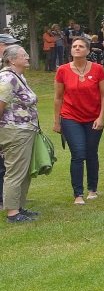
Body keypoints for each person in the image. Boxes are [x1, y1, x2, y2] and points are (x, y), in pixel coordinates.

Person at [53, 36, 104, 205]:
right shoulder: (62, 70)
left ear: (88, 50)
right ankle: (78, 194)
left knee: (91, 153)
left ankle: (92, 189)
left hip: (93, 117)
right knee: (78, 154)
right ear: (71, 50)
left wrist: (101, 117)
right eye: (74, 46)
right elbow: (58, 98)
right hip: (70, 117)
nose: (77, 48)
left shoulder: (98, 69)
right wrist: (57, 121)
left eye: (81, 46)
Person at [0, 46, 41, 222]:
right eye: (23, 55)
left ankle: (19, 207)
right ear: (12, 60)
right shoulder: (7, 78)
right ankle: (12, 213)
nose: (27, 57)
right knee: (15, 172)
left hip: (25, 129)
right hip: (14, 130)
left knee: (23, 172)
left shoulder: (18, 77)